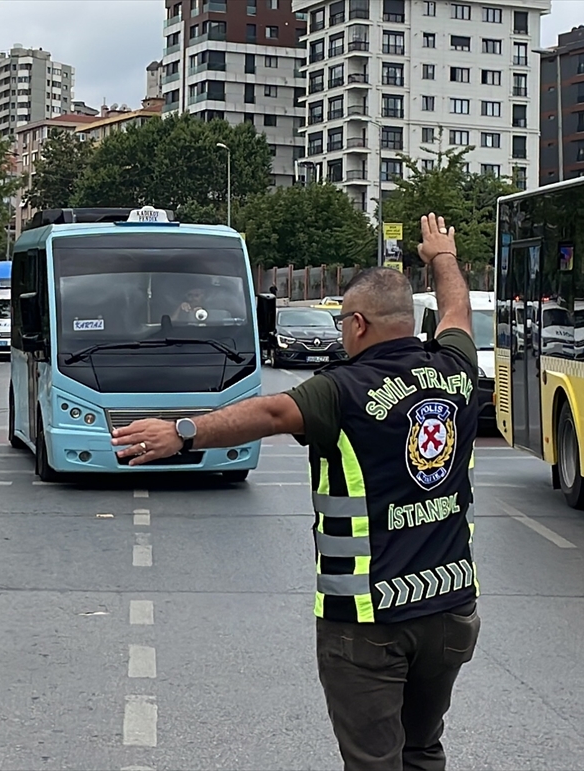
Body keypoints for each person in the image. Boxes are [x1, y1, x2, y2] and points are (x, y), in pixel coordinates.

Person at [112, 213, 481, 771]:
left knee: (373, 761)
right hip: (451, 609)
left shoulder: (342, 390)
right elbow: (457, 311)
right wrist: (443, 257)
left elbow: (270, 411)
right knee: (422, 749)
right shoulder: (455, 367)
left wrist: (182, 431)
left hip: (367, 618)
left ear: (358, 323)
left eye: (340, 326)